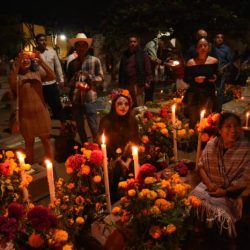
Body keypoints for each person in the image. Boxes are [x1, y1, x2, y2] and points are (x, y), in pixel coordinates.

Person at [192, 112, 250, 238]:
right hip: (210, 186)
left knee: (221, 221)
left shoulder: (246, 148)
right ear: (219, 130)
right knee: (193, 202)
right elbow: (201, 166)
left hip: (232, 193)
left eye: (236, 126)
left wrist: (224, 192)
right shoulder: (212, 144)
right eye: (228, 126)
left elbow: (245, 177)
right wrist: (210, 185)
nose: (233, 130)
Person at [8, 51, 56, 164]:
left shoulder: (37, 73)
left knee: (46, 140)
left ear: (31, 60)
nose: (26, 60)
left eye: (28, 58)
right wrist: (17, 65)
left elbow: (52, 76)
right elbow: (12, 83)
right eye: (23, 59)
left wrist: (41, 61)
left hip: (41, 112)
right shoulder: (17, 76)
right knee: (29, 142)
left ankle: (50, 165)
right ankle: (30, 167)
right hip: (26, 115)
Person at [98, 88, 140, 201]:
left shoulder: (132, 120)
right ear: (114, 105)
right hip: (111, 158)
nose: (123, 107)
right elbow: (104, 144)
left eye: (126, 104)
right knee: (114, 173)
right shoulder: (106, 121)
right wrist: (120, 161)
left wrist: (128, 161)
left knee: (134, 174)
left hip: (129, 157)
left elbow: (136, 141)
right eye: (120, 103)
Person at [66, 33, 104, 143]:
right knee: (80, 126)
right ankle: (85, 147)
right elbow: (68, 82)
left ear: (87, 47)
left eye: (84, 45)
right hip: (76, 99)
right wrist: (74, 82)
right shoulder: (72, 63)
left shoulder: (95, 60)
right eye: (79, 45)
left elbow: (101, 78)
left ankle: (98, 147)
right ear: (75, 47)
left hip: (90, 97)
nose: (81, 48)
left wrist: (89, 77)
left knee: (93, 125)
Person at [183, 37, 218, 128]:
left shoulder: (214, 61)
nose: (203, 48)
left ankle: (204, 140)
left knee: (206, 119)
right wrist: (194, 79)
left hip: (208, 93)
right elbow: (186, 78)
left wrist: (215, 78)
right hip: (193, 92)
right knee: (193, 119)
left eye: (205, 45)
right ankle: (192, 140)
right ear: (196, 48)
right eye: (200, 46)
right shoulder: (191, 62)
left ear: (208, 47)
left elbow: (217, 75)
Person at [35, 33, 66, 130]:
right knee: (41, 107)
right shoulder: (33, 54)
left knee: (57, 105)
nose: (43, 42)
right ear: (37, 42)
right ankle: (44, 125)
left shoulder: (52, 51)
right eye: (41, 40)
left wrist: (61, 79)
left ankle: (63, 124)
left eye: (44, 40)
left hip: (51, 83)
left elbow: (58, 66)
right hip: (39, 84)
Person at [119, 35, 152, 107]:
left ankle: (139, 118)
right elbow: (122, 69)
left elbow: (147, 67)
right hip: (127, 83)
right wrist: (120, 83)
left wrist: (147, 81)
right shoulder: (125, 54)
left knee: (139, 105)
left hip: (138, 83)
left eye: (134, 42)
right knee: (129, 104)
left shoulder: (142, 54)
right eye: (131, 42)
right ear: (128, 43)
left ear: (137, 43)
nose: (132, 43)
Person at [214, 33, 232, 112]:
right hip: (213, 73)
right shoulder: (212, 48)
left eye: (221, 37)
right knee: (211, 91)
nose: (220, 39)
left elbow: (230, 61)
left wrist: (223, 68)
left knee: (219, 91)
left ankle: (218, 111)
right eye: (218, 37)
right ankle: (212, 109)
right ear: (215, 38)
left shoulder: (227, 49)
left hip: (222, 73)